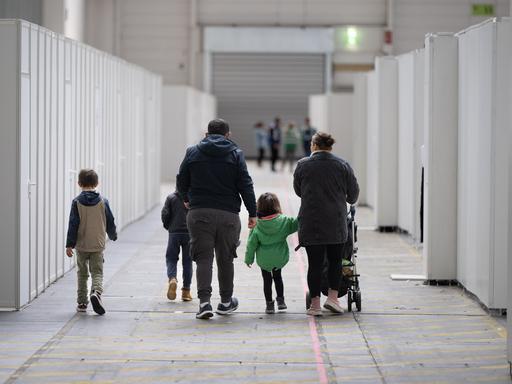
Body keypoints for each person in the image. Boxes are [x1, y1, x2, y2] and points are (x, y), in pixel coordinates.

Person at [177, 118, 257, 320]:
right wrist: (253, 213)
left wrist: (186, 199)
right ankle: (226, 302)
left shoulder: (192, 152)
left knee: (203, 259)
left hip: (199, 213)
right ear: (227, 135)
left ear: (206, 134)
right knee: (225, 259)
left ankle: (204, 304)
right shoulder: (235, 154)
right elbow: (245, 185)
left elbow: (181, 179)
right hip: (228, 215)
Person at [293, 132, 359, 316]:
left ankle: (314, 305)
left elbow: (299, 191)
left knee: (314, 264)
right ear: (330, 146)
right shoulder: (342, 165)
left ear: (313, 145)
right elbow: (353, 195)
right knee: (335, 261)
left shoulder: (302, 165)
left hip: (311, 221)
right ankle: (333, 299)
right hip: (336, 222)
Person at [65, 169, 117, 315]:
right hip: (97, 244)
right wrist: (113, 235)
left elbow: (73, 224)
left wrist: (70, 244)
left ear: (79, 184)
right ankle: (96, 293)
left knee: (82, 273)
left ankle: (82, 303)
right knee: (97, 272)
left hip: (82, 245)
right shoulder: (103, 201)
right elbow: (110, 221)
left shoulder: (76, 202)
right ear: (97, 183)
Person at [245, 193, 298, 314]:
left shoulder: (257, 225)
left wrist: (249, 259)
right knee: (278, 277)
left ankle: (269, 304)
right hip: (279, 257)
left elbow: (251, 244)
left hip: (264, 259)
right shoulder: (284, 221)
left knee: (267, 280)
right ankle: (281, 301)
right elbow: (296, 223)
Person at [161, 190, 193, 302]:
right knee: (188, 262)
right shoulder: (192, 196)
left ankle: (172, 279)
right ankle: (186, 291)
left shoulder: (171, 198)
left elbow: (165, 214)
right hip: (189, 233)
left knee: (171, 258)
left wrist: (169, 227)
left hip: (174, 233)